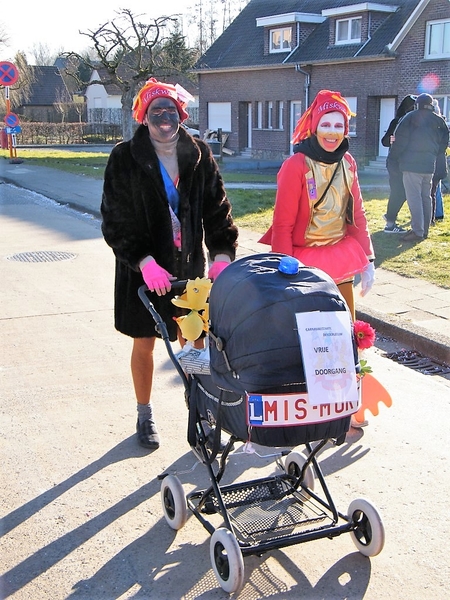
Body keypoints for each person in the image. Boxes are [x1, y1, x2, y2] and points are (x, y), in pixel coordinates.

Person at [101, 78, 238, 450]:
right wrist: (143, 262)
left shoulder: (199, 155)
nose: (164, 117)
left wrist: (223, 256)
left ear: (181, 114)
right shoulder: (124, 158)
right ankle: (144, 413)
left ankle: (199, 410)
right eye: (156, 111)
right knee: (144, 342)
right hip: (143, 276)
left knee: (193, 342)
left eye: (171, 111)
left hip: (189, 271)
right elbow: (115, 221)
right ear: (144, 118)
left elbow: (218, 211)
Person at [259, 89, 375, 322]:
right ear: (314, 127)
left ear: (345, 130)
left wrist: (368, 260)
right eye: (326, 124)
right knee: (310, 337)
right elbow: (282, 224)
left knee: (344, 332)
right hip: (304, 265)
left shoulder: (348, 162)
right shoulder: (296, 165)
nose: (332, 132)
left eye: (338, 125)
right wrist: (284, 270)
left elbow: (357, 215)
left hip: (340, 258)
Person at [389, 93, 449, 241]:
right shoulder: (439, 120)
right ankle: (424, 230)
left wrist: (395, 157)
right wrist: (435, 153)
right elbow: (445, 141)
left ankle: (417, 231)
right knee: (426, 197)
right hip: (429, 164)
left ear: (418, 104)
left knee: (414, 197)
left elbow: (400, 140)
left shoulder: (409, 117)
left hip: (411, 164)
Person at [381, 94, 417, 233]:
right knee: (399, 192)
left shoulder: (413, 122)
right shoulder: (396, 122)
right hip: (395, 163)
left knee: (401, 192)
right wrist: (392, 139)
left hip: (404, 162)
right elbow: (384, 141)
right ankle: (390, 223)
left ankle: (390, 217)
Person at [430, 99, 448, 223]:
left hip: (433, 164)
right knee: (436, 190)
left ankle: (430, 217)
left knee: (431, 192)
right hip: (440, 164)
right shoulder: (442, 126)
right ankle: (437, 214)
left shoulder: (434, 129)